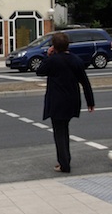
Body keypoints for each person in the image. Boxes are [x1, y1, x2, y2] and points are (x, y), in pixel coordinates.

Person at [36, 32, 95, 173]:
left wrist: (47, 56)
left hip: (57, 101)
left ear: (54, 46)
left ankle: (64, 164)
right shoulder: (76, 60)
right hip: (72, 100)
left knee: (59, 132)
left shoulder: (52, 60)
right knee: (64, 129)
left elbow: (40, 71)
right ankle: (65, 160)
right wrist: (90, 101)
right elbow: (85, 83)